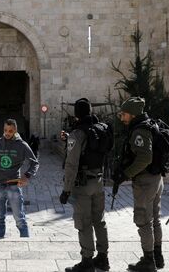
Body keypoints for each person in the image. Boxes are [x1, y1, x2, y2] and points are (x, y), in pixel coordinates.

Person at [60, 99, 110, 272]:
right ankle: (103, 258)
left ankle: (87, 261)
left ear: (76, 114)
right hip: (99, 181)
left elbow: (71, 164)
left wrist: (66, 189)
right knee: (99, 220)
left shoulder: (77, 133)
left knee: (84, 222)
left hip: (83, 185)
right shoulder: (98, 129)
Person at [116, 97, 164, 272]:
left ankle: (149, 260)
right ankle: (158, 257)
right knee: (155, 219)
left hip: (146, 181)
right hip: (156, 178)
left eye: (124, 114)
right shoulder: (149, 124)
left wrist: (126, 174)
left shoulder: (139, 131)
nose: (122, 118)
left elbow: (145, 158)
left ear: (133, 114)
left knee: (143, 220)